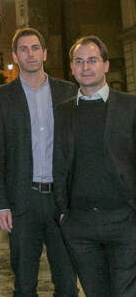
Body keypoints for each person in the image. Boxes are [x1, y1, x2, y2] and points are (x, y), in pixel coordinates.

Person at [0, 27, 78, 297]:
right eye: (24, 49)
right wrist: (0, 203)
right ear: (15, 55)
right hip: (22, 203)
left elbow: (76, 149)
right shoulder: (1, 97)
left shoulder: (68, 92)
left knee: (68, 285)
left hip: (60, 201)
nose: (30, 53)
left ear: (45, 53)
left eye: (35, 47)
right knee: (24, 286)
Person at [54, 35, 136, 297]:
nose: (85, 67)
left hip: (125, 221)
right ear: (72, 67)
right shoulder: (62, 113)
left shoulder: (130, 107)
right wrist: (64, 213)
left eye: (92, 60)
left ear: (106, 65)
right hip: (80, 225)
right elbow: (58, 162)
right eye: (79, 61)